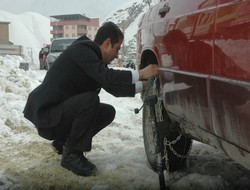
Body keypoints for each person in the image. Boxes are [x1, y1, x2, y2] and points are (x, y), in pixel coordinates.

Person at [23, 22, 158, 176]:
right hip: (47, 116)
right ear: (107, 43)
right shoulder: (82, 50)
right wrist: (141, 73)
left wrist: (144, 86)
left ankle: (63, 143)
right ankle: (72, 154)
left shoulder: (92, 58)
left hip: (58, 115)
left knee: (107, 111)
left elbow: (112, 87)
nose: (117, 55)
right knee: (90, 100)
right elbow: (107, 78)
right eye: (117, 49)